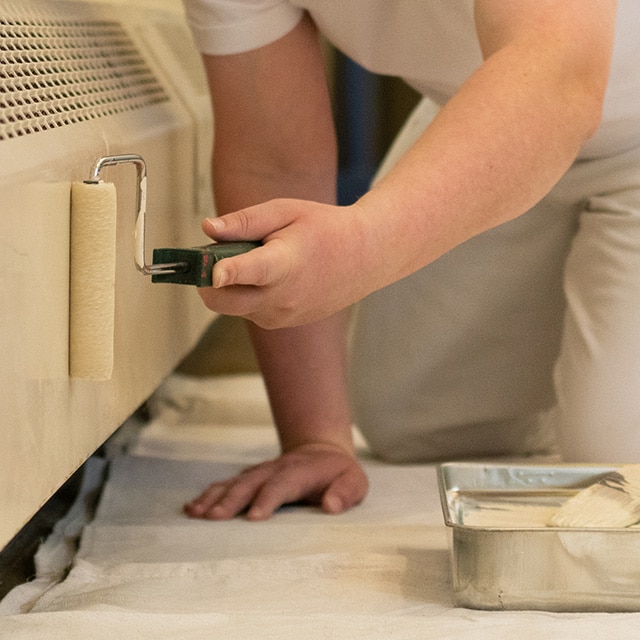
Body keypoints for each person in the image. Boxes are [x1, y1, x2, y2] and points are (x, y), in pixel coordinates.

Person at [181, 0, 640, 522]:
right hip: (491, 114)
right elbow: (273, 163)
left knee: (619, 465)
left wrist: (364, 244)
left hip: (576, 107)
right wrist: (316, 439)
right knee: (412, 421)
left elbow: (560, 76)